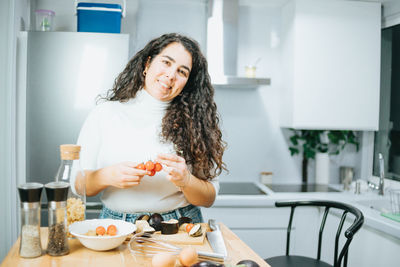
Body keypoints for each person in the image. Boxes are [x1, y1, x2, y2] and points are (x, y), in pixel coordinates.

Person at [76, 33, 227, 224]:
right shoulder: (105, 113)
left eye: (182, 72)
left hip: (179, 224)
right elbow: (78, 185)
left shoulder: (196, 123)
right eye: (166, 62)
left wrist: (186, 181)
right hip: (116, 225)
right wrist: (107, 176)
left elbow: (208, 197)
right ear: (147, 64)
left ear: (187, 82)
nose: (171, 75)